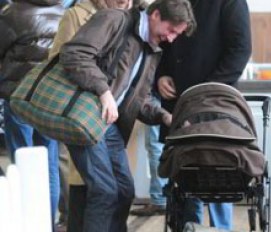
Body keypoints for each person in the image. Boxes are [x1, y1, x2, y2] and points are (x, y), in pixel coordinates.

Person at [59, 0, 196, 231]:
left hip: (108, 125)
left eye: (177, 34)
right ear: (154, 15)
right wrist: (103, 91)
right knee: (104, 190)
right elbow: (73, 54)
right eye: (171, 30)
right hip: (86, 117)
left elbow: (136, 101)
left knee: (124, 190)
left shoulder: (152, 48)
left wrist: (164, 116)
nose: (172, 38)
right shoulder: (114, 19)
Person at [157, 0, 252, 230]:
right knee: (183, 174)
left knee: (220, 172)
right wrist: (161, 75)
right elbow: (161, 42)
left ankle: (221, 229)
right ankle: (189, 226)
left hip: (217, 103)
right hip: (178, 103)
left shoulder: (231, 2)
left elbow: (240, 50)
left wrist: (206, 91)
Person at [48, 0, 130, 231]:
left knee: (113, 188)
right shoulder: (75, 15)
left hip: (110, 119)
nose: (125, 2)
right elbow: (57, 61)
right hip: (81, 115)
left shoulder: (131, 19)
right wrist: (94, 88)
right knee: (85, 183)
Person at [0, 0, 64, 229]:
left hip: (19, 96)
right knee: (49, 164)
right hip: (50, 98)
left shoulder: (13, 14)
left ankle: (30, 222)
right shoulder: (62, 11)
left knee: (23, 159)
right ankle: (48, 222)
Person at [130, 93, 167, 216]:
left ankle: (159, 200)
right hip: (175, 93)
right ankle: (162, 198)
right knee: (159, 146)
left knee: (155, 145)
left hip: (160, 95)